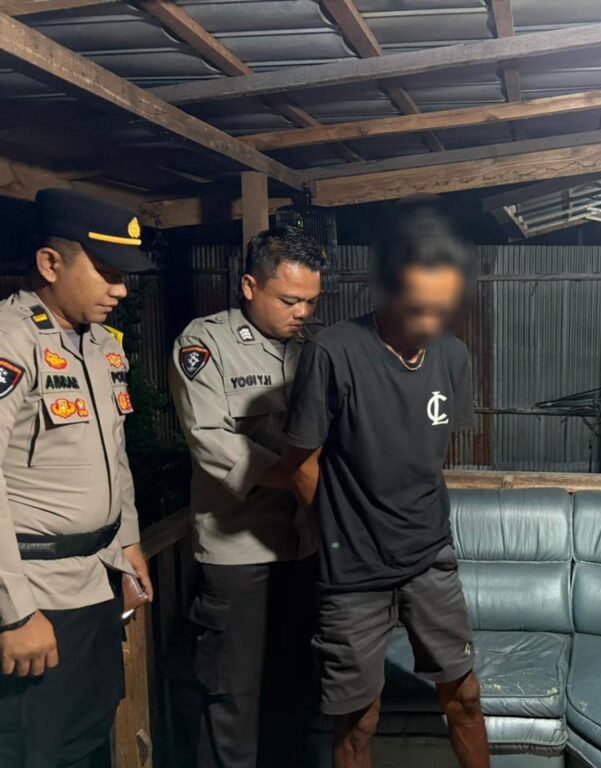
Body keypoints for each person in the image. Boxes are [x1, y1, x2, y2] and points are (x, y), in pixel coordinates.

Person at [282, 200, 488, 768]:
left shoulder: (452, 356)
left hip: (429, 558)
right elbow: (300, 462)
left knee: (465, 699)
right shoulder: (333, 353)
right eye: (418, 307)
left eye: (441, 309)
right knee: (359, 722)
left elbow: (428, 456)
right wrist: (341, 533)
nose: (430, 323)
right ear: (387, 290)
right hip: (353, 573)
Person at [0, 188, 155, 768]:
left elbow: (115, 452)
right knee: (34, 750)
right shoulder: (10, 339)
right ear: (50, 263)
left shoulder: (101, 344)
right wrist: (14, 612)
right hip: (35, 593)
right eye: (108, 272)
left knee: (89, 737)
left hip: (95, 583)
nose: (121, 289)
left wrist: (129, 542)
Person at [169, 227, 325, 768]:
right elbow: (212, 441)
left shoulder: (313, 351)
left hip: (303, 550)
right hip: (240, 557)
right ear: (249, 286)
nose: (302, 312)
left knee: (294, 696)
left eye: (311, 301)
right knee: (233, 701)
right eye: (290, 300)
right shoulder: (205, 344)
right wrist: (305, 479)